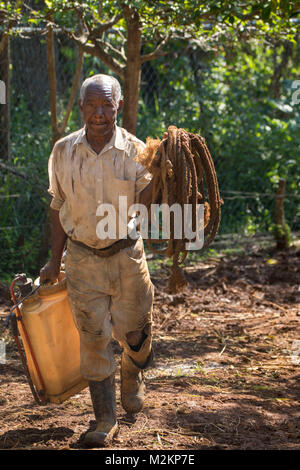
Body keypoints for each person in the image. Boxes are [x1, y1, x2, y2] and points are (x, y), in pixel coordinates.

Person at [40, 74, 155, 447]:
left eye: (107, 105)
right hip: (82, 259)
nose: (99, 113)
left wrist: (162, 172)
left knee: (135, 332)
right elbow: (57, 206)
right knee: (93, 338)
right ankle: (104, 420)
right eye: (91, 104)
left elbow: (149, 208)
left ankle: (131, 371)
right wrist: (53, 262)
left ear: (118, 107)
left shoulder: (138, 153)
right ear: (81, 107)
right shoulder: (63, 151)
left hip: (126, 255)